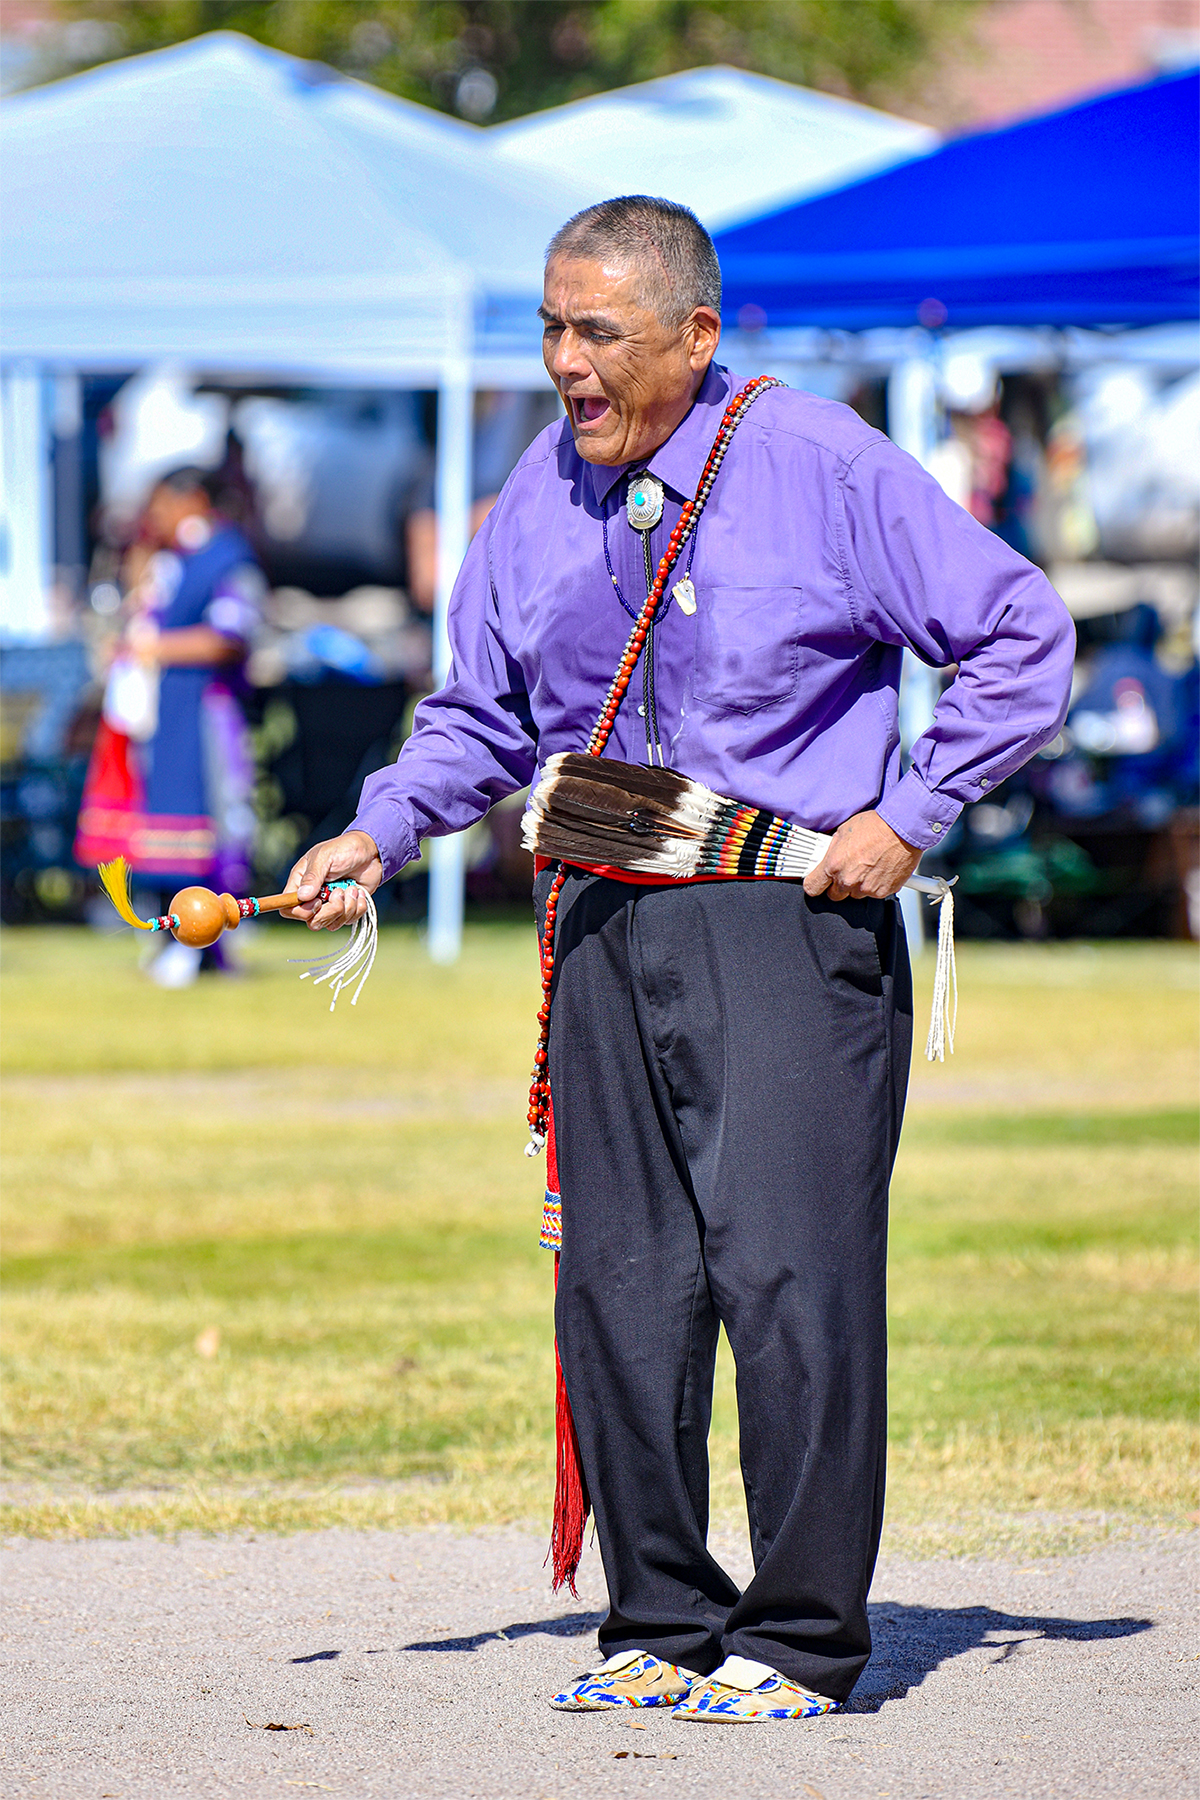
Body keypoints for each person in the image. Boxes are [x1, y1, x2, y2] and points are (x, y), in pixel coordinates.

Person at [285, 198, 1075, 1722]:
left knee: (791, 1278)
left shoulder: (820, 464)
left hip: (783, 925)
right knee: (624, 1281)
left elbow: (1020, 633)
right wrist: (375, 834)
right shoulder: (538, 486)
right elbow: (485, 713)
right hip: (598, 919)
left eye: (599, 334)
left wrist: (910, 813)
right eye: (551, 329)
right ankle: (659, 1613)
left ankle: (798, 1639)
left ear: (695, 339)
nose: (566, 364)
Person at [76, 467, 263, 987]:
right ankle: (172, 938)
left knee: (211, 821)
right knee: (160, 823)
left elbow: (231, 635)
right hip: (164, 714)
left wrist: (153, 649)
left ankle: (210, 944)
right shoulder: (172, 561)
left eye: (162, 504)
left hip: (204, 711)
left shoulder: (228, 557)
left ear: (194, 500)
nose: (155, 515)